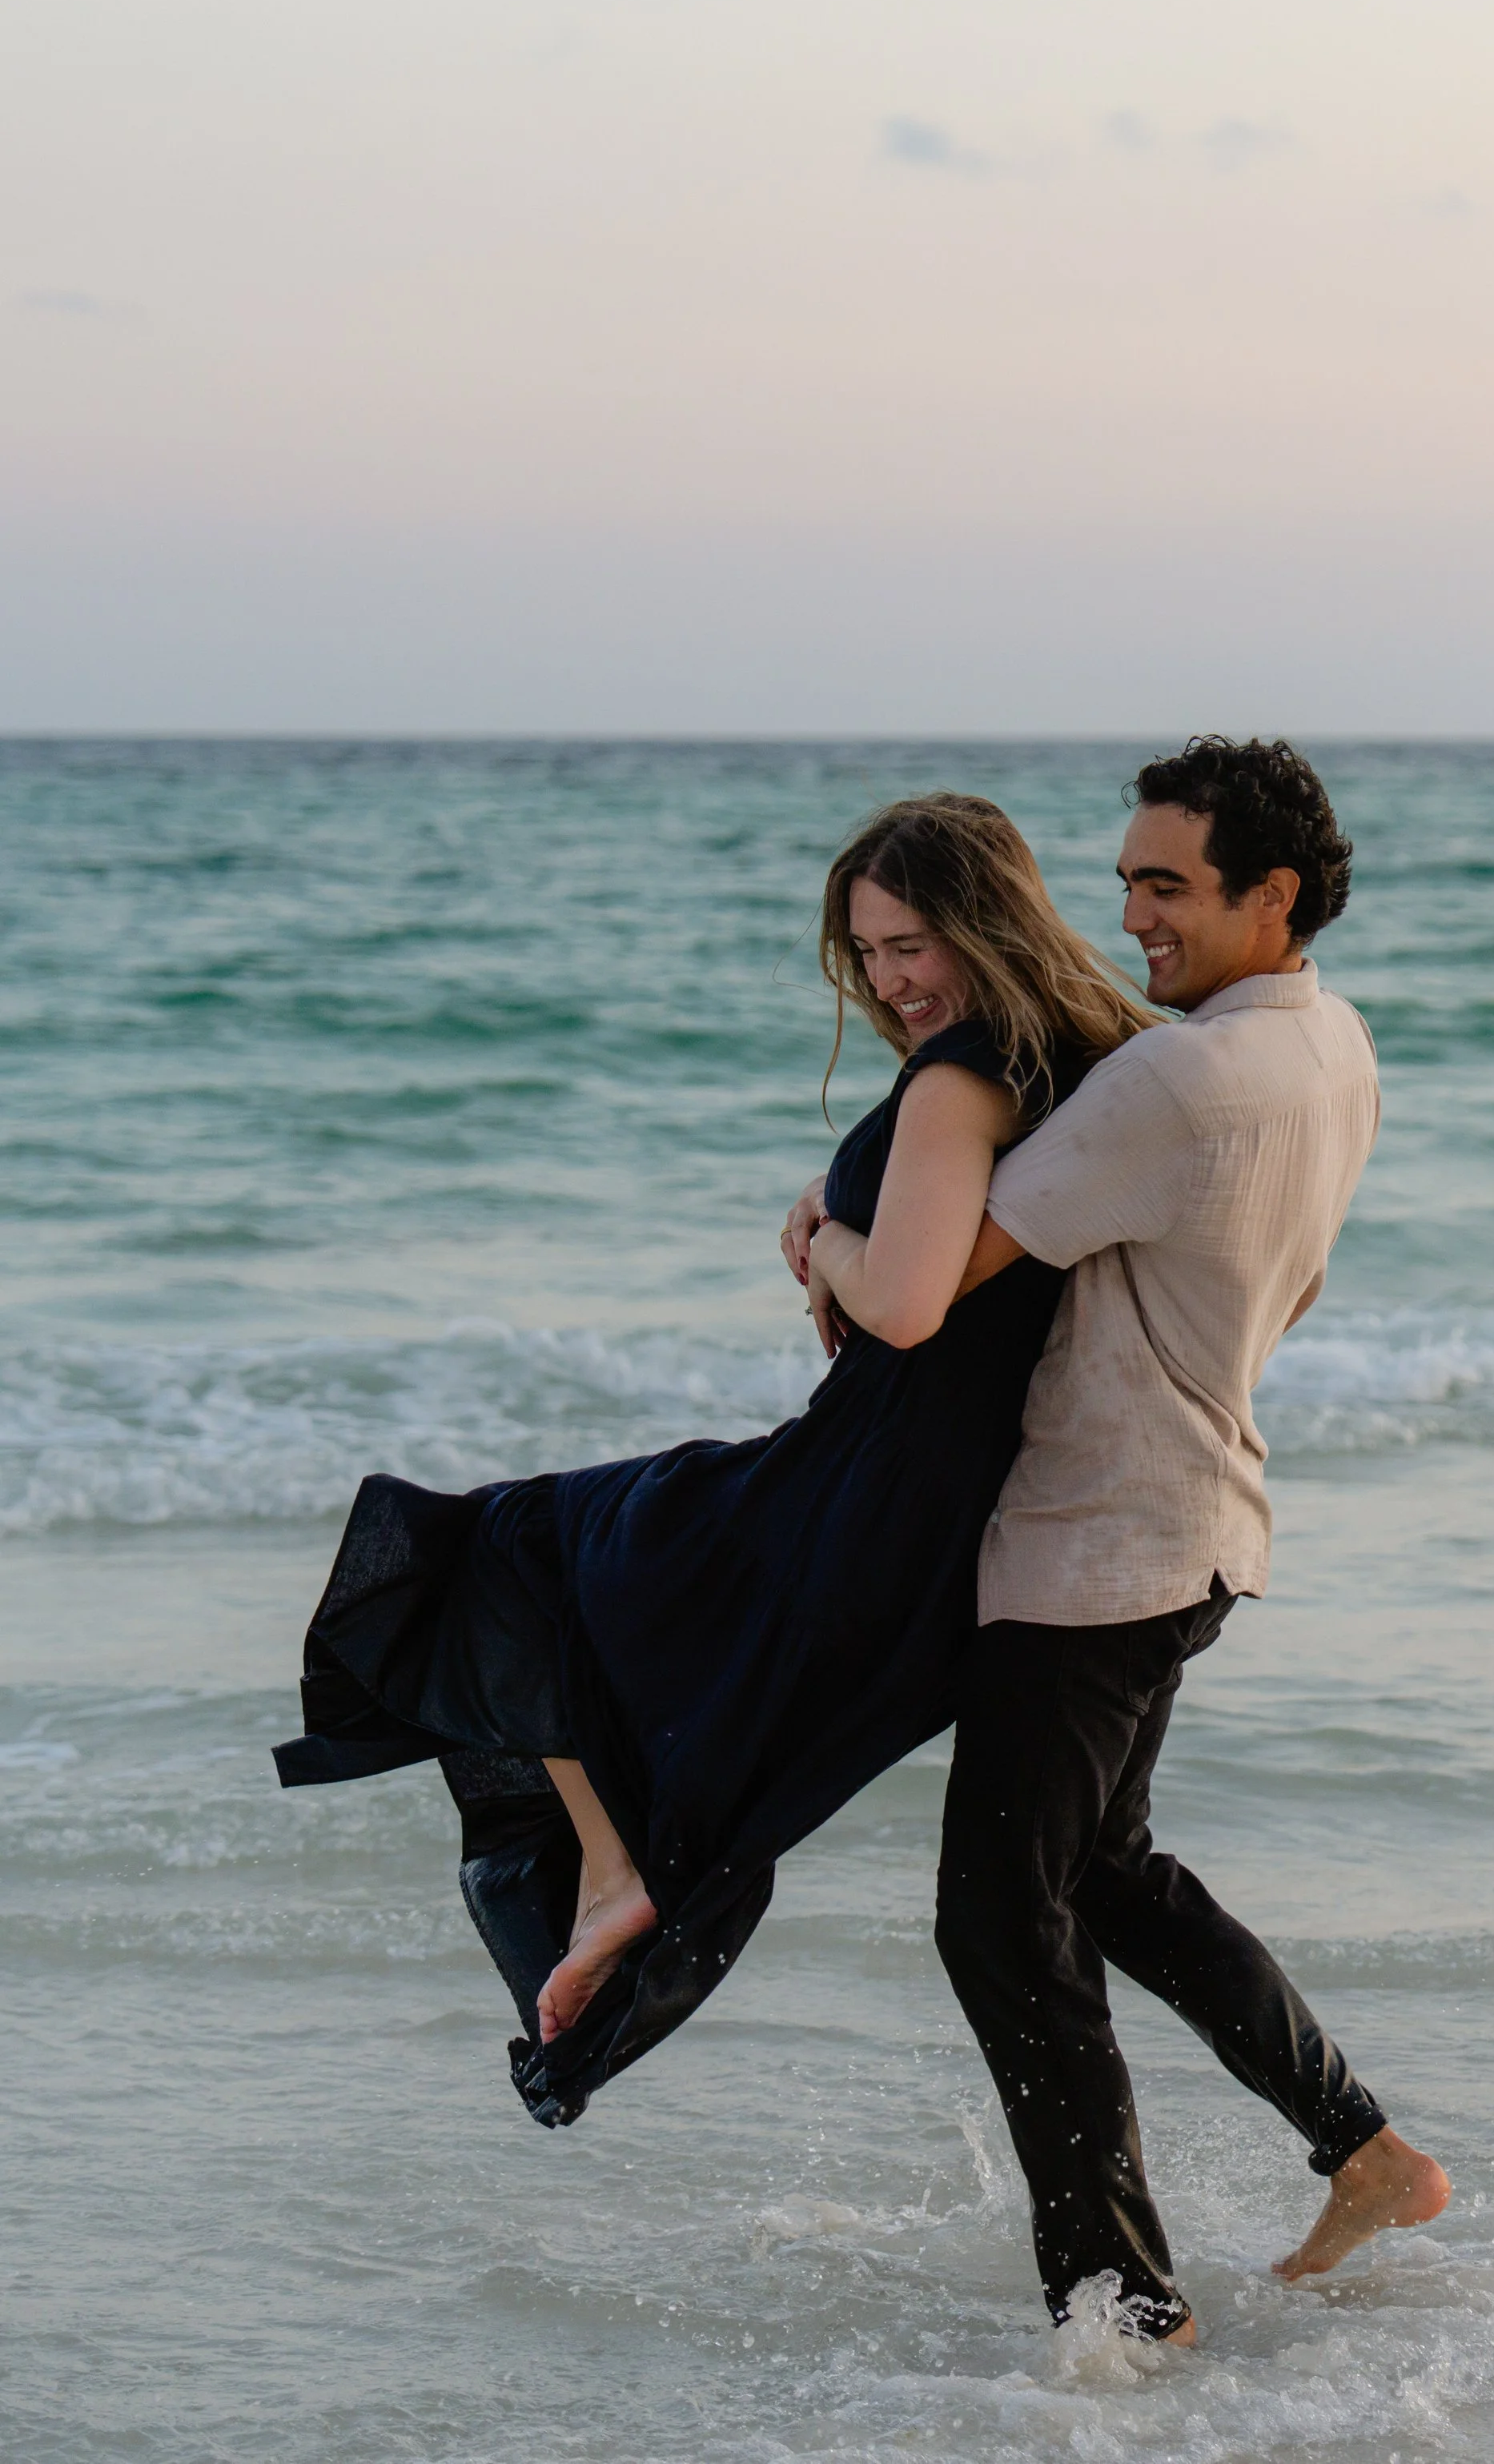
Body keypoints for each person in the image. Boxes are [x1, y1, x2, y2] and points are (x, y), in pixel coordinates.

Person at [273, 794, 1155, 2126]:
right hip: (926, 1494)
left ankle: (616, 1869)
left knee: (511, 1544)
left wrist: (815, 1240)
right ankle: (617, 1868)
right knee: (559, 1564)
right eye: (865, 955)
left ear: (986, 921)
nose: (889, 980)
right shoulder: (1092, 1062)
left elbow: (907, 1305)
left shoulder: (961, 1077)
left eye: (912, 943)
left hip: (863, 1488)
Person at [817, 736, 1451, 2341]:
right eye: (1121, 884)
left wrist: (811, 1230)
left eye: (1165, 886)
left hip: (1093, 1546)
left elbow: (923, 1286)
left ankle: (1121, 2294)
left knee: (994, 1912)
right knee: (1103, 1870)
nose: (1133, 918)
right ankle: (1359, 2144)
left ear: (1271, 892)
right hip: (1201, 1511)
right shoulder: (1332, 1049)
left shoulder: (1172, 1081)